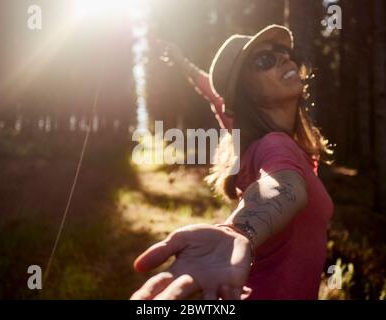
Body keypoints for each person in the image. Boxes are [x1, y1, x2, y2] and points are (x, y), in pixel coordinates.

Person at [131, 24, 334, 300]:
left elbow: (214, 94)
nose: (284, 59)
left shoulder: (251, 137)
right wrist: (239, 231)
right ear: (245, 95)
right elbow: (282, 186)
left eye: (283, 52)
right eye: (265, 60)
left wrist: (181, 62)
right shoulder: (276, 144)